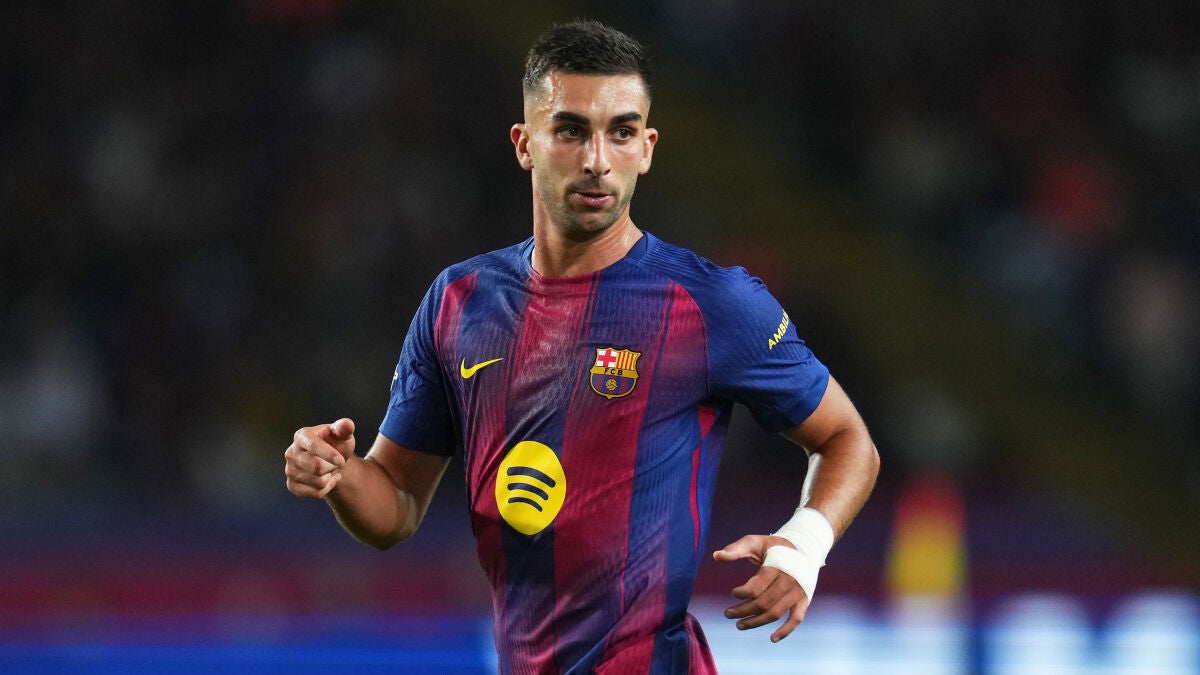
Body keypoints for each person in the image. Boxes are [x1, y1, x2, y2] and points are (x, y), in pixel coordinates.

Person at [284, 19, 880, 674]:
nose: (597, 159)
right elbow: (395, 503)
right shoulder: (460, 302)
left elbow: (847, 439)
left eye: (621, 132)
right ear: (524, 144)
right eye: (571, 130)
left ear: (647, 148)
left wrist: (803, 547)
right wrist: (339, 475)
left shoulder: (711, 303)